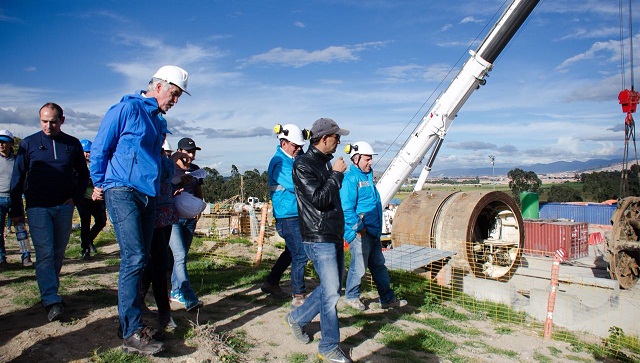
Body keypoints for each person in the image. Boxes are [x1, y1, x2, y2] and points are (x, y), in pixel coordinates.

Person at [90, 65, 190, 355]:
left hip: (148, 196)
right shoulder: (126, 110)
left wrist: (177, 170)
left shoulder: (158, 122)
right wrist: (99, 182)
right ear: (159, 87)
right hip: (121, 190)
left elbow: (156, 161)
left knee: (143, 259)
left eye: (179, 96)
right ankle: (132, 332)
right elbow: (101, 148)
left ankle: (127, 325)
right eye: (174, 93)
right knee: (134, 257)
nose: (175, 100)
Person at [9, 103, 89, 321]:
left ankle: (49, 292)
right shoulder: (29, 144)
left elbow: (83, 175)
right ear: (39, 120)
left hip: (64, 207)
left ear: (62, 120)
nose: (48, 125)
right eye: (44, 121)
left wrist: (76, 197)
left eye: (53, 121)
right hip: (38, 207)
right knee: (44, 253)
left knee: (57, 253)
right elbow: (17, 178)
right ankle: (51, 298)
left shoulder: (71, 144)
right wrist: (16, 208)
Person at [286, 118, 352, 363]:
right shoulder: (304, 164)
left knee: (331, 288)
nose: (339, 142)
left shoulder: (324, 164)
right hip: (318, 236)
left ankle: (297, 318)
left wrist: (333, 172)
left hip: (332, 234)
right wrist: (336, 174)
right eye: (337, 138)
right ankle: (329, 346)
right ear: (324, 138)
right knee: (332, 293)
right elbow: (319, 199)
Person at [341, 141, 407, 311]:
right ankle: (351, 296)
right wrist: (359, 228)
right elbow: (346, 208)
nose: (370, 162)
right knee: (359, 266)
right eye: (367, 159)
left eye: (371, 159)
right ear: (356, 159)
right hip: (360, 233)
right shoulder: (351, 179)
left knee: (378, 265)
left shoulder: (367, 177)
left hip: (372, 231)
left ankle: (387, 298)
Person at [261, 124, 309, 307]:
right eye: (295, 145)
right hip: (287, 216)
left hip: (296, 214)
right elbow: (298, 185)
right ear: (283, 142)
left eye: (300, 145)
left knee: (291, 252)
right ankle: (299, 294)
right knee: (300, 253)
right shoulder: (279, 163)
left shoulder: (295, 157)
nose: (299, 148)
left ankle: (271, 282)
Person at [168, 137, 204, 311]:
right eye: (188, 152)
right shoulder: (169, 169)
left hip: (190, 217)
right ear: (178, 151)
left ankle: (175, 291)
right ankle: (187, 295)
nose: (191, 155)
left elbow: (199, 191)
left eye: (193, 152)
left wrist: (199, 208)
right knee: (179, 255)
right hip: (173, 217)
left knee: (181, 256)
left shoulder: (196, 171)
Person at [0, 129, 32, 267]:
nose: (1, 144)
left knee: (20, 230)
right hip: (0, 198)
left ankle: (26, 257)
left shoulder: (17, 161)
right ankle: (1, 258)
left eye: (4, 142)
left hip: (15, 198)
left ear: (11, 144)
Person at [77, 139, 107, 260]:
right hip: (83, 199)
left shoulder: (97, 163)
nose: (87, 154)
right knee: (85, 223)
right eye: (85, 151)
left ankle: (88, 241)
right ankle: (85, 249)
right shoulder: (77, 165)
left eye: (89, 151)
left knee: (101, 221)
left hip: (97, 199)